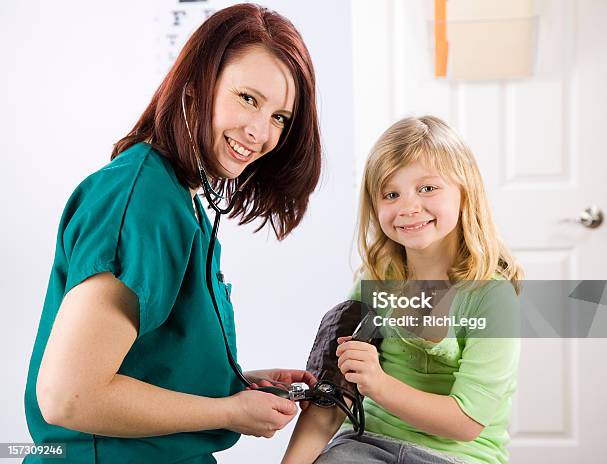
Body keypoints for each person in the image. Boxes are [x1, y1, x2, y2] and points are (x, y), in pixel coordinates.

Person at [24, 4, 321, 463]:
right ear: (195, 87)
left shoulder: (180, 199)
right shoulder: (143, 198)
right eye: (248, 98)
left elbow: (145, 363)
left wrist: (235, 386)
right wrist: (227, 411)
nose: (260, 132)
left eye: (280, 117)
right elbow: (70, 396)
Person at [282, 116, 522, 464]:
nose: (409, 207)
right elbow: (330, 405)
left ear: (464, 191)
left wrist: (379, 384)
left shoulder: (491, 297)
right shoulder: (374, 284)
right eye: (391, 194)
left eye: (427, 188)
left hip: (457, 458)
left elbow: (467, 422)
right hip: (366, 446)